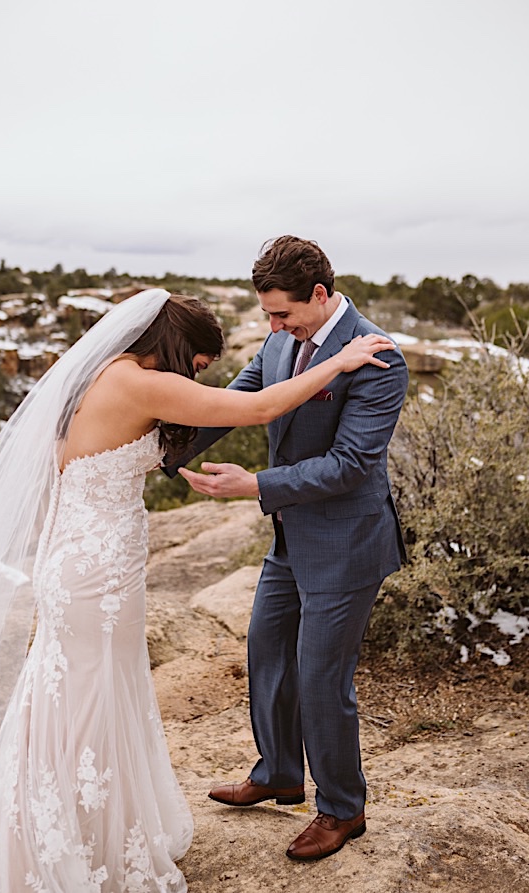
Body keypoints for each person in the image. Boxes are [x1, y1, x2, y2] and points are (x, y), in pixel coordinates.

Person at [0, 287, 396, 891]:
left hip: (78, 553)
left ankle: (80, 821)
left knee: (79, 691)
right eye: (197, 366)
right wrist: (339, 361)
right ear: (177, 348)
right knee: (90, 692)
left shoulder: (95, 374)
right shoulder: (140, 383)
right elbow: (254, 409)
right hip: (96, 567)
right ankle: (75, 838)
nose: (196, 377)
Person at [165, 236, 408, 862]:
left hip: (346, 542)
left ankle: (342, 809)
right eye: (268, 314)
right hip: (289, 537)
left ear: (320, 295)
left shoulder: (381, 357)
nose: (272, 326)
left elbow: (352, 464)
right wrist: (155, 454)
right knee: (266, 648)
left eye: (283, 314)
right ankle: (278, 772)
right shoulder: (278, 343)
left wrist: (255, 486)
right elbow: (232, 408)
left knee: (323, 677)